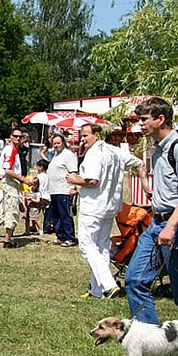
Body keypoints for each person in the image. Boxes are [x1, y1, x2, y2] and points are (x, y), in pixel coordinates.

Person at [68, 123, 141, 299]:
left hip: (94, 205)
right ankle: (97, 289)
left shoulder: (94, 154)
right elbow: (137, 162)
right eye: (82, 136)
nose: (83, 139)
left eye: (86, 136)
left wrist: (75, 180)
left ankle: (108, 284)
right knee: (101, 248)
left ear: (96, 135)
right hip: (110, 207)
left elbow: (92, 180)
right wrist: (145, 181)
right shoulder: (114, 151)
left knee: (87, 246)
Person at [126, 97, 178, 323]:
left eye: (144, 119)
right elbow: (165, 191)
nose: (140, 124)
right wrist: (146, 182)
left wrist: (170, 227)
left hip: (172, 226)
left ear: (161, 119)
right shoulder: (156, 149)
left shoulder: (176, 147)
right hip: (156, 224)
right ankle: (151, 341)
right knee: (135, 280)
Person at [0, 128, 33, 248]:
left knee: (7, 209)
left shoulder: (14, 150)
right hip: (10, 182)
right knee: (12, 211)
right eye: (15, 136)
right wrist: (23, 179)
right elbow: (8, 170)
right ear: (11, 136)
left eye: (20, 137)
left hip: (12, 183)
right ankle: (7, 241)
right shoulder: (10, 150)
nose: (18, 138)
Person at [45, 133, 78, 244]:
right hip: (54, 190)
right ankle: (60, 236)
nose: (56, 145)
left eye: (58, 143)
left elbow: (73, 171)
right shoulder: (55, 155)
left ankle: (70, 237)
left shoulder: (68, 155)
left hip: (64, 190)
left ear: (63, 143)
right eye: (54, 143)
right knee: (56, 215)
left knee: (65, 215)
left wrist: (72, 187)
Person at [23, 159, 50, 235]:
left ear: (41, 167)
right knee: (46, 216)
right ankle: (39, 228)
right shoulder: (49, 176)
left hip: (39, 197)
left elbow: (34, 187)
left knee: (33, 216)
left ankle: (40, 230)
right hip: (47, 198)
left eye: (37, 167)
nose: (37, 168)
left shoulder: (38, 177)